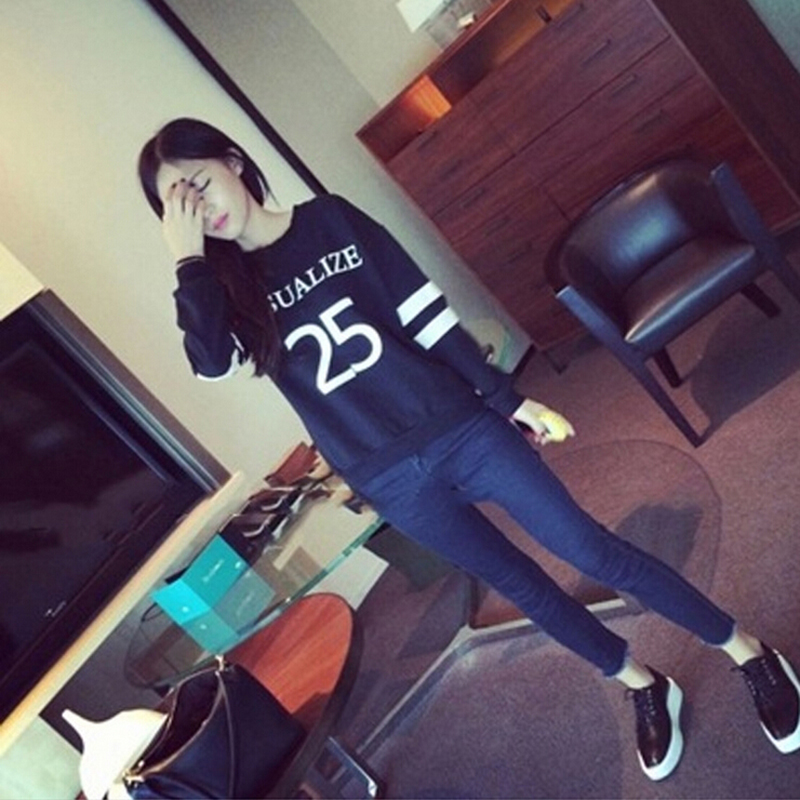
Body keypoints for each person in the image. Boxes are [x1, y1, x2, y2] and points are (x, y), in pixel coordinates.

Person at [138, 117, 800, 781]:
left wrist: (507, 399)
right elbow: (211, 365)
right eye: (177, 204)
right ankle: (641, 682)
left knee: (590, 549)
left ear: (233, 161)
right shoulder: (224, 294)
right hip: (388, 477)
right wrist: (188, 262)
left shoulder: (330, 220)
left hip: (457, 427)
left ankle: (748, 650)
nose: (199, 209)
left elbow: (423, 313)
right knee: (521, 587)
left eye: (198, 185)